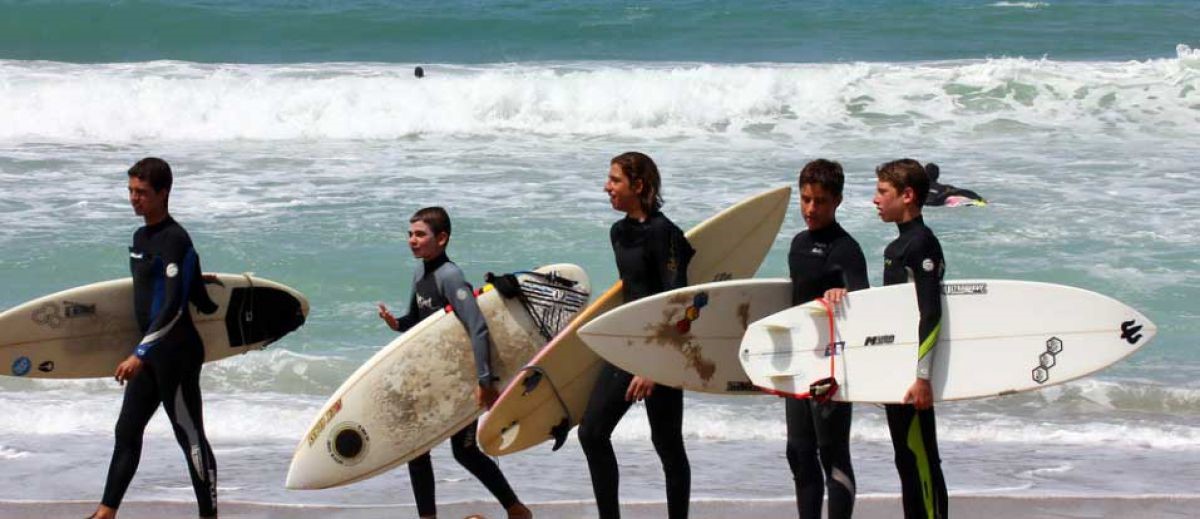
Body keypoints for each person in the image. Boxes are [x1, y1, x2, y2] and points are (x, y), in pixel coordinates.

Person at [376, 207, 531, 519]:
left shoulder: (450, 276)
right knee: (419, 450)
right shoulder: (420, 274)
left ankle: (516, 509)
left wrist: (484, 382)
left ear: (442, 238)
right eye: (410, 234)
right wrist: (396, 323)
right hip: (433, 376)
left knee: (464, 451)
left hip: (463, 379)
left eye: (420, 234)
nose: (412, 240)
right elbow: (418, 322)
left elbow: (477, 327)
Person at [92, 158, 220, 519]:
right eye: (131, 191)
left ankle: (209, 515)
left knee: (190, 437)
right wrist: (197, 278)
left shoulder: (175, 239)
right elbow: (190, 295)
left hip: (175, 356)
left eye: (142, 193)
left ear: (164, 193)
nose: (134, 199)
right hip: (151, 355)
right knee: (127, 430)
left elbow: (175, 308)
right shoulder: (141, 237)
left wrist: (139, 353)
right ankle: (106, 512)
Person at [577, 151, 695, 519]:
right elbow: (632, 292)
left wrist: (654, 370)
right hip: (630, 346)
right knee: (592, 433)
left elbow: (677, 305)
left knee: (667, 445)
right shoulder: (619, 232)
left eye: (614, 180)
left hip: (662, 352)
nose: (606, 187)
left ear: (638, 186)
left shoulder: (665, 234)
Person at [785, 159, 869, 519]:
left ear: (837, 201)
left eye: (819, 201)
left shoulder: (845, 249)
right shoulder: (798, 244)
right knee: (799, 453)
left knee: (832, 455)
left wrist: (844, 295)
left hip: (832, 367)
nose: (810, 209)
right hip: (800, 362)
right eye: (805, 199)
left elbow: (866, 307)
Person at [873, 159, 950, 518]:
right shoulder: (899, 247)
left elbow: (930, 313)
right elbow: (895, 319)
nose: (876, 199)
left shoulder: (921, 244)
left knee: (922, 462)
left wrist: (922, 377)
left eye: (882, 192)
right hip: (899, 374)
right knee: (906, 460)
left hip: (914, 377)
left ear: (906, 196)